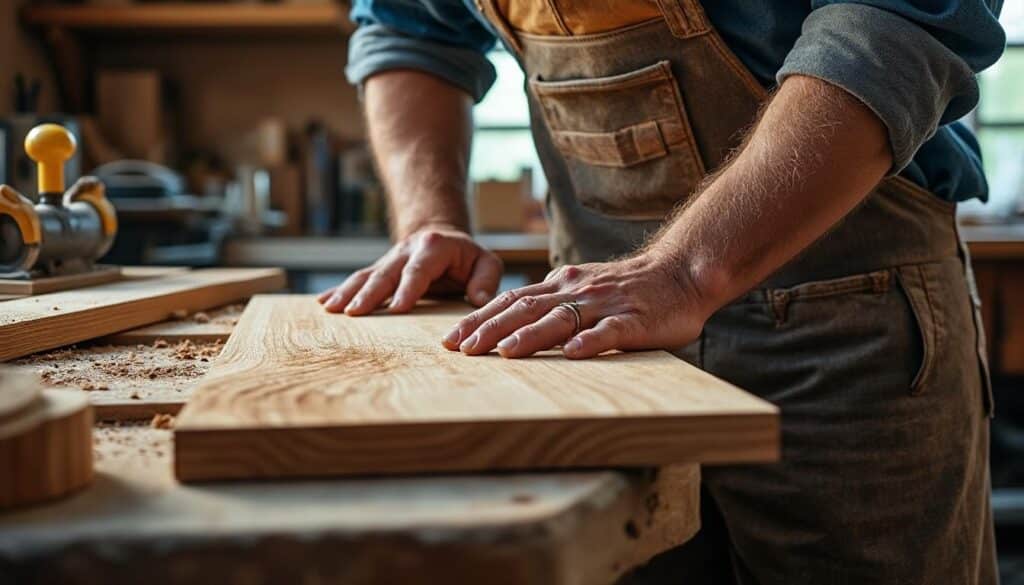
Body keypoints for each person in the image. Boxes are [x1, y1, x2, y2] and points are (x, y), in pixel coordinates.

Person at [317, 1, 1006, 582]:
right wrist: (428, 217)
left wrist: (685, 270)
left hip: (848, 326)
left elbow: (901, 15)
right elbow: (411, 25)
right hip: (592, 348)